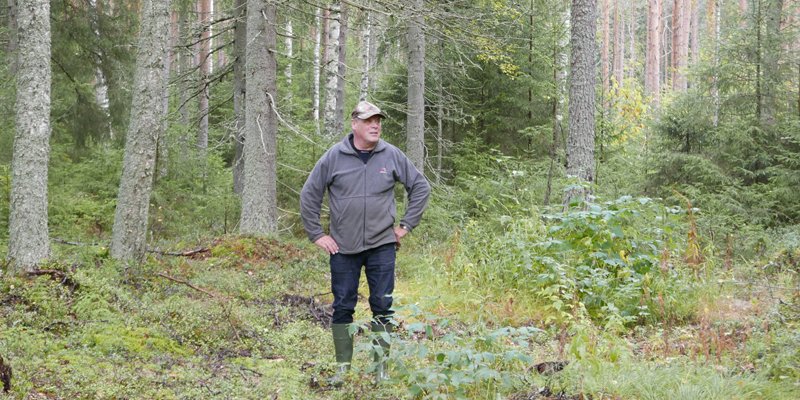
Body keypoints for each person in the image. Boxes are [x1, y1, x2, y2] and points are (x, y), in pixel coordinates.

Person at [300, 101, 430, 383]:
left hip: (382, 245)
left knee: (382, 305)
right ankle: (342, 369)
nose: (375, 125)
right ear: (354, 124)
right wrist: (317, 234)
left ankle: (380, 369)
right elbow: (310, 194)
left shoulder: (391, 155)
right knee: (343, 306)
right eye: (369, 120)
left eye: (378, 121)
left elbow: (420, 186)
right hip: (343, 248)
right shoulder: (334, 156)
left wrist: (405, 226)